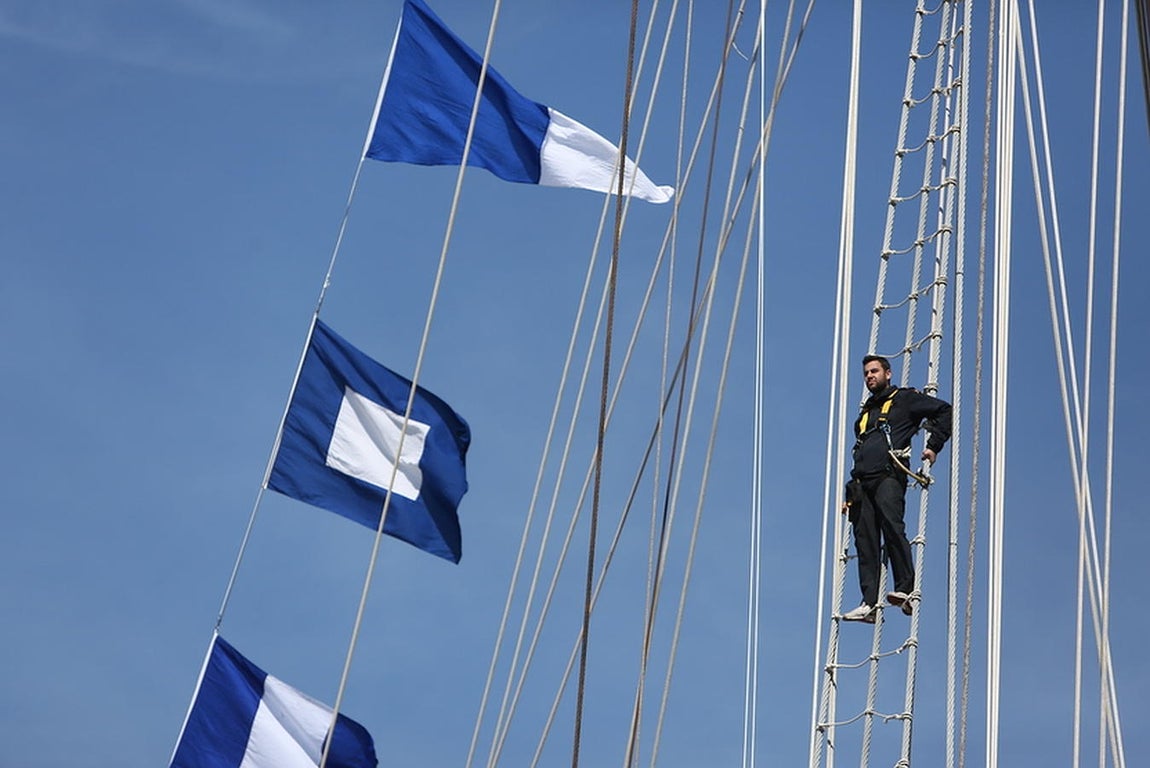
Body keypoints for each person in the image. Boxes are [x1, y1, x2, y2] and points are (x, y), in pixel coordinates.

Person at [841, 354, 952, 624]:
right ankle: (869, 604)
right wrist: (848, 496)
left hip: (888, 476)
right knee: (865, 541)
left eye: (874, 371)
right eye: (866, 373)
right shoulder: (865, 413)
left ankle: (906, 589)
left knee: (892, 527)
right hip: (861, 484)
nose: (869, 376)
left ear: (888, 373)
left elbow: (944, 411)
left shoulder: (904, 399)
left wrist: (933, 446)